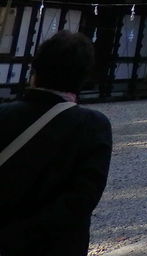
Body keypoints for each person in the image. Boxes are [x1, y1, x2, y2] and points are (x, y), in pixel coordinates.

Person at [0, 30, 113, 256]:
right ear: (82, 77)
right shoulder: (93, 125)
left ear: (35, 71)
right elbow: (82, 199)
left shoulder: (3, 115)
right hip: (56, 246)